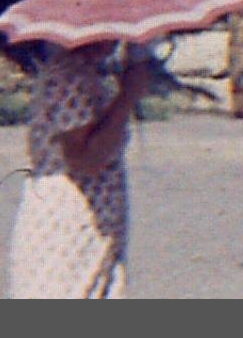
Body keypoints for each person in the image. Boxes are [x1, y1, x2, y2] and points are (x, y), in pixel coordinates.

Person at [8, 41, 149, 298]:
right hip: (69, 220)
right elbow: (85, 159)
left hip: (88, 218)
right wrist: (128, 96)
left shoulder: (84, 74)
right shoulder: (69, 77)